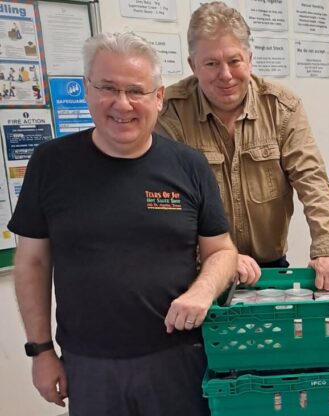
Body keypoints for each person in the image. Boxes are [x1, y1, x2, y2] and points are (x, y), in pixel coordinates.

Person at [10, 32, 238, 416]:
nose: (122, 104)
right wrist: (41, 351)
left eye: (136, 91)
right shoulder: (50, 164)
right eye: (107, 88)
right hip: (89, 366)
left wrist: (203, 291)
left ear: (159, 98)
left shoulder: (189, 166)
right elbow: (31, 262)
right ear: (86, 90)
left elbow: (222, 251)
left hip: (178, 360)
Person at [155, 2, 329, 289]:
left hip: (270, 269)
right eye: (211, 63)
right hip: (199, 270)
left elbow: (311, 180)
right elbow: (167, 202)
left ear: (249, 58)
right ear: (192, 65)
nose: (225, 75)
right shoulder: (170, 113)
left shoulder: (282, 107)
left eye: (234, 61)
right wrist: (221, 257)